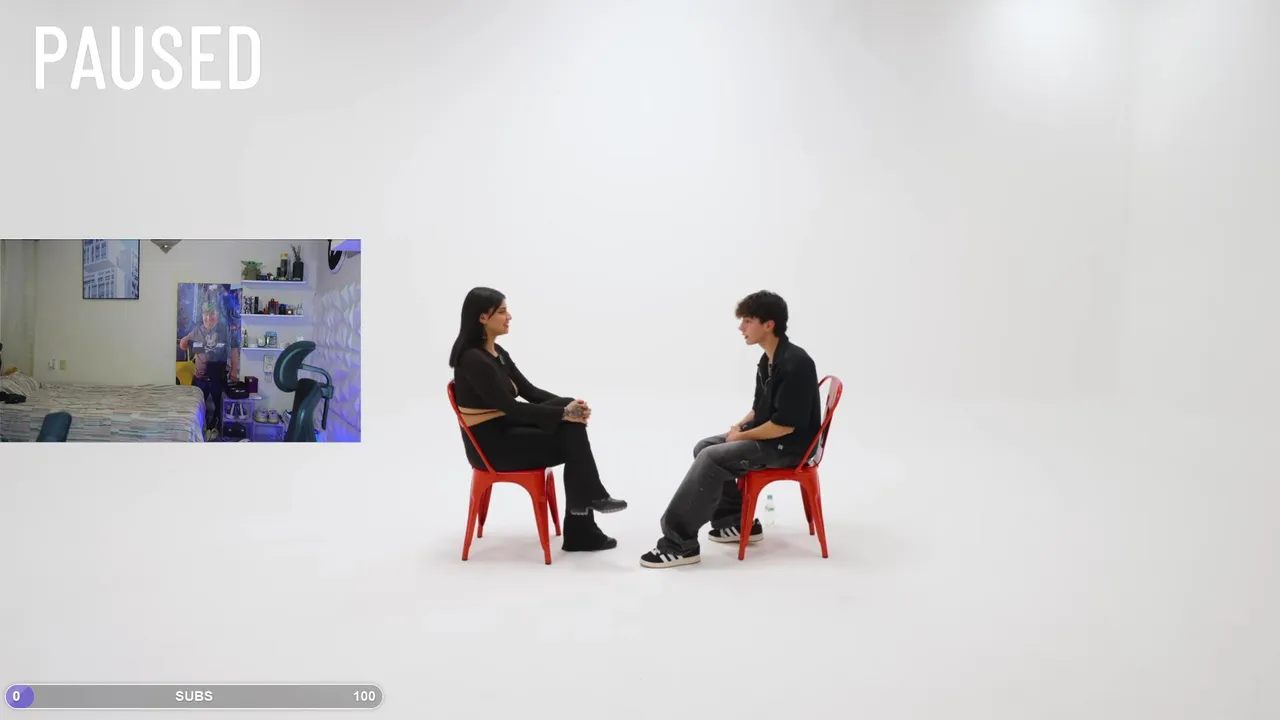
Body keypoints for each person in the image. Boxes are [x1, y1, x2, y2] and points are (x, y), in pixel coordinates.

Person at [640, 290, 822, 568]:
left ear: (768, 324)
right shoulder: (768, 360)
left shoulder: (796, 364)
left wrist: (741, 436)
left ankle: (679, 544)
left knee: (711, 457)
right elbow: (759, 410)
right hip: (773, 438)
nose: (741, 328)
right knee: (705, 446)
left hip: (790, 447)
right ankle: (733, 521)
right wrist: (739, 426)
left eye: (747, 321)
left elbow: (784, 426)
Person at [449, 287, 626, 552]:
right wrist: (564, 414)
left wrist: (571, 407)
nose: (509, 317)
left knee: (570, 422)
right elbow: (511, 408)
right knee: (572, 434)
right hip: (493, 447)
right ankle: (583, 522)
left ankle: (586, 512)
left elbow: (530, 392)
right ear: (483, 317)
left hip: (507, 431)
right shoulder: (473, 360)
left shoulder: (497, 353)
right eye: (502, 311)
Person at [178, 287, 240, 436]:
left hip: (218, 377)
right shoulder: (197, 330)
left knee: (220, 408)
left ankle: (216, 430)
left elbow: (234, 349)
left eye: (212, 314)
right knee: (197, 408)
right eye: (206, 314)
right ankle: (201, 432)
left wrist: (234, 370)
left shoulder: (225, 330)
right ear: (202, 315)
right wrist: (185, 342)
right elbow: (183, 344)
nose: (209, 318)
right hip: (200, 379)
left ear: (217, 315)